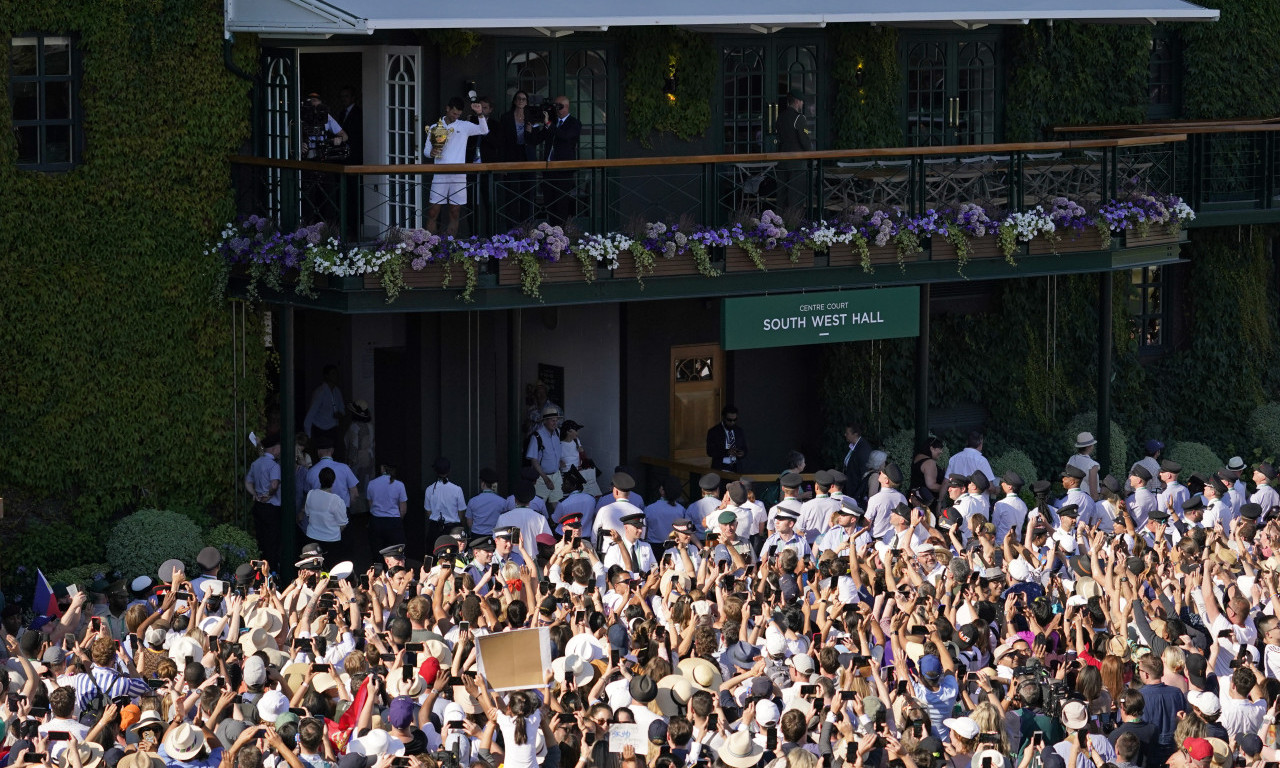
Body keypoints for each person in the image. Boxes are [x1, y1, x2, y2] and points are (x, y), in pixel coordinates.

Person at [424, 96, 488, 236]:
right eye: (454, 113)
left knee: (454, 211)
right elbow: (426, 151)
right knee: (433, 211)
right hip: (440, 174)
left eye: (458, 114)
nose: (455, 117)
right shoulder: (435, 127)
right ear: (447, 109)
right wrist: (432, 152)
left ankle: (449, 247)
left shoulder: (464, 125)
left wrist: (480, 114)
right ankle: (430, 246)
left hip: (459, 174)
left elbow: (484, 130)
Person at [532, 95, 581, 226]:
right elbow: (536, 139)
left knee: (561, 205)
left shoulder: (574, 123)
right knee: (549, 204)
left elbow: (565, 136)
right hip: (548, 171)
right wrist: (535, 122)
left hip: (563, 171)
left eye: (559, 106)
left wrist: (549, 124)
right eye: (555, 106)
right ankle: (551, 234)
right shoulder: (552, 123)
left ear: (566, 107)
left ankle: (562, 235)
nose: (556, 109)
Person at [495, 90, 538, 225]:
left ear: (527, 102)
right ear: (514, 101)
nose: (521, 101)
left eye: (523, 99)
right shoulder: (506, 117)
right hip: (511, 158)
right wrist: (502, 164)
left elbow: (535, 140)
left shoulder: (531, 117)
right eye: (518, 99)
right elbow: (501, 143)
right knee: (512, 195)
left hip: (528, 158)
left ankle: (527, 228)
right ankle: (511, 230)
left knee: (528, 194)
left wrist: (530, 132)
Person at [244, 432, 283, 570]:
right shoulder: (274, 466)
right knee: (272, 541)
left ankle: (260, 567)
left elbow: (248, 482)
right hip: (271, 507)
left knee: (261, 539)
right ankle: (271, 570)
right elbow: (274, 485)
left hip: (258, 505)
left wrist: (255, 494)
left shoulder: (256, 463)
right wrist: (269, 494)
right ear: (274, 448)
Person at [774, 90, 812, 216]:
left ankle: (779, 223)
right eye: (801, 101)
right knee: (796, 196)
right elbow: (805, 141)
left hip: (782, 161)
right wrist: (811, 154)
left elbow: (778, 138)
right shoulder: (799, 118)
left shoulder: (780, 117)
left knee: (782, 196)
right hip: (797, 163)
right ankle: (794, 224)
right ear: (796, 101)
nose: (802, 104)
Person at [366, 461, 408, 562]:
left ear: (382, 468)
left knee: (377, 553)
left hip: (376, 521)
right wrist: (397, 520)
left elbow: (370, 505)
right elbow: (403, 509)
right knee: (396, 555)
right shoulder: (399, 485)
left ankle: (378, 574)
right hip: (393, 521)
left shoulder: (372, 483)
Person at [302, 466, 347, 559]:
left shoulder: (310, 494)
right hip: (331, 540)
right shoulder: (337, 500)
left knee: (313, 567)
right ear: (333, 481)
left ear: (319, 479)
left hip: (312, 537)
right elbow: (343, 524)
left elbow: (307, 513)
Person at [526, 404, 564, 505]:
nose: (555, 423)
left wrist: (559, 461)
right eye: (552, 420)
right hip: (541, 478)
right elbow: (534, 460)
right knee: (537, 505)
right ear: (545, 421)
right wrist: (546, 479)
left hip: (556, 475)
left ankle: (555, 521)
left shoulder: (558, 432)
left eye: (556, 420)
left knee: (557, 504)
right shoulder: (537, 436)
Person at [344, 399, 374, 514]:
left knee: (357, 484)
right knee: (368, 483)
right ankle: (368, 510)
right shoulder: (370, 426)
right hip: (370, 457)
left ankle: (358, 511)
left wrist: (350, 462)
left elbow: (353, 446)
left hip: (358, 458)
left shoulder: (354, 427)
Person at [303, 364, 344, 446]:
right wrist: (308, 436)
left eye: (336, 373)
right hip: (320, 429)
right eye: (333, 373)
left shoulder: (337, 391)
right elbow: (311, 414)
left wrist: (339, 415)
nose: (336, 376)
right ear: (327, 376)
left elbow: (342, 410)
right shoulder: (320, 392)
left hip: (333, 428)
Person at [707, 405, 748, 473]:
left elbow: (744, 448)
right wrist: (727, 452)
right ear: (723, 418)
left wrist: (742, 453)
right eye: (729, 420)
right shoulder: (714, 431)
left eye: (735, 420)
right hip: (720, 468)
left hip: (736, 468)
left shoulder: (739, 431)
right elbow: (710, 451)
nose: (732, 422)